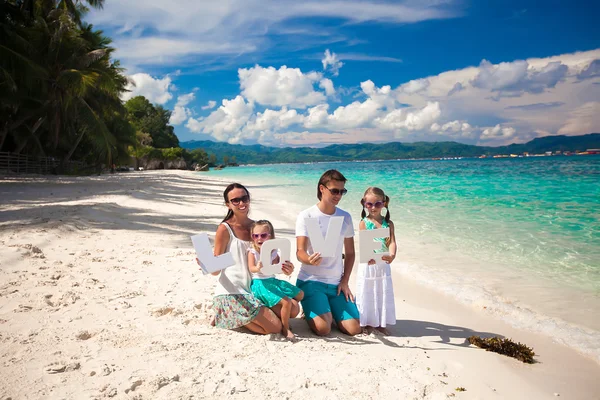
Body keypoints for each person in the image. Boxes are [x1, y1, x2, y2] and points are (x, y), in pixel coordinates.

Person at [206, 183, 292, 335]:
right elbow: (215, 271)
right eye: (235, 200)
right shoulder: (225, 229)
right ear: (228, 204)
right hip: (234, 291)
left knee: (294, 309)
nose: (241, 203)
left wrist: (284, 267)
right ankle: (227, 315)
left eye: (244, 198)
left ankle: (236, 315)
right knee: (275, 328)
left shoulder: (257, 228)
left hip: (256, 289)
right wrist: (207, 264)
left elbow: (271, 260)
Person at [295, 170, 361, 336]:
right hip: (311, 281)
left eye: (342, 191)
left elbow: (351, 253)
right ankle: (314, 307)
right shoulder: (306, 215)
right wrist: (309, 260)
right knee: (323, 329)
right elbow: (299, 252)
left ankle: (327, 308)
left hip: (336, 284)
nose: (338, 195)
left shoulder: (345, 217)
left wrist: (345, 281)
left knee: (354, 329)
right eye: (334, 190)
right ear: (322, 189)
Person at [247, 220, 304, 340]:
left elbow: (280, 267)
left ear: (271, 237)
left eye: (263, 235)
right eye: (255, 235)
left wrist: (287, 268)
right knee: (286, 302)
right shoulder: (252, 252)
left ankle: (282, 312)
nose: (259, 238)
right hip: (261, 283)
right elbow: (251, 268)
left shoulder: (273, 252)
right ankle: (285, 328)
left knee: (300, 294)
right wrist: (257, 268)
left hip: (273, 281)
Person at [356, 187, 397, 335]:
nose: (373, 208)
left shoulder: (388, 223)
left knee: (381, 292)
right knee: (367, 292)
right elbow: (364, 244)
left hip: (383, 265)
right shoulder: (364, 223)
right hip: (369, 264)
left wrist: (392, 255)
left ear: (384, 204)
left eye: (377, 204)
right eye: (369, 204)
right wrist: (369, 257)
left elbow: (392, 242)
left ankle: (380, 321)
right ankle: (366, 322)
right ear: (364, 204)